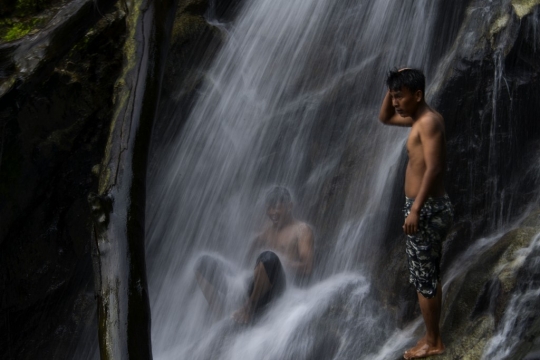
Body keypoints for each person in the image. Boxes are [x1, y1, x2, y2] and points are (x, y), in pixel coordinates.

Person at [378, 68, 454, 359]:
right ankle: (431, 335)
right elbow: (384, 118)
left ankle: (434, 342)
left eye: (400, 96)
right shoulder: (417, 120)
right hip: (422, 208)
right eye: (394, 96)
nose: (395, 102)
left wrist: (416, 210)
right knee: (427, 275)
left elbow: (434, 168)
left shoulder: (429, 122)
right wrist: (393, 85)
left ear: (418, 95)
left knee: (424, 278)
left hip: (426, 209)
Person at [194, 186, 314, 325]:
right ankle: (220, 317)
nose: (272, 213)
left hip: (281, 290)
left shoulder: (302, 230)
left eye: (277, 208)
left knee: (269, 257)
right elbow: (251, 248)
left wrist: (283, 262)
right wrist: (246, 267)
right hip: (257, 286)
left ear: (289, 206)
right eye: (269, 209)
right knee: (202, 263)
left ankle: (247, 310)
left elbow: (307, 268)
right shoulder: (267, 230)